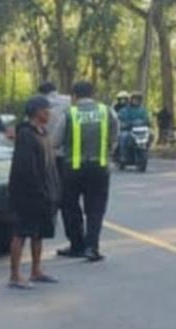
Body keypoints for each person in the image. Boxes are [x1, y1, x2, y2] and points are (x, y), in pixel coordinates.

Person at [57, 80, 119, 262]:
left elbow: (55, 141)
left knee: (69, 206)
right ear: (93, 94)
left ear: (74, 96)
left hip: (72, 170)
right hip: (99, 168)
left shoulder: (69, 114)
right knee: (95, 209)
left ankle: (76, 245)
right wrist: (107, 150)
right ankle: (92, 247)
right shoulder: (106, 111)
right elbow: (114, 134)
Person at [8, 96, 62, 289]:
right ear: (37, 111)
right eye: (46, 109)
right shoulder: (26, 135)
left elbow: (50, 165)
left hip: (45, 193)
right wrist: (38, 191)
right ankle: (14, 275)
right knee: (21, 233)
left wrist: (55, 189)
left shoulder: (43, 133)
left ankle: (36, 270)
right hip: (27, 195)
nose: (49, 113)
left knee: (38, 233)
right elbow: (26, 170)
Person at [37, 81, 70, 167]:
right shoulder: (69, 100)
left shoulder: (38, 103)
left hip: (47, 149)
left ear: (41, 93)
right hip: (67, 150)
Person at [117, 92, 150, 162]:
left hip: (141, 131)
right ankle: (123, 155)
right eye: (134, 99)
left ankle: (145, 151)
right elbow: (119, 119)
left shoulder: (143, 110)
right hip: (129, 130)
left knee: (151, 135)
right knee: (123, 137)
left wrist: (147, 122)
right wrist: (125, 124)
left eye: (138, 100)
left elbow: (147, 119)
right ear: (131, 100)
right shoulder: (125, 110)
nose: (136, 101)